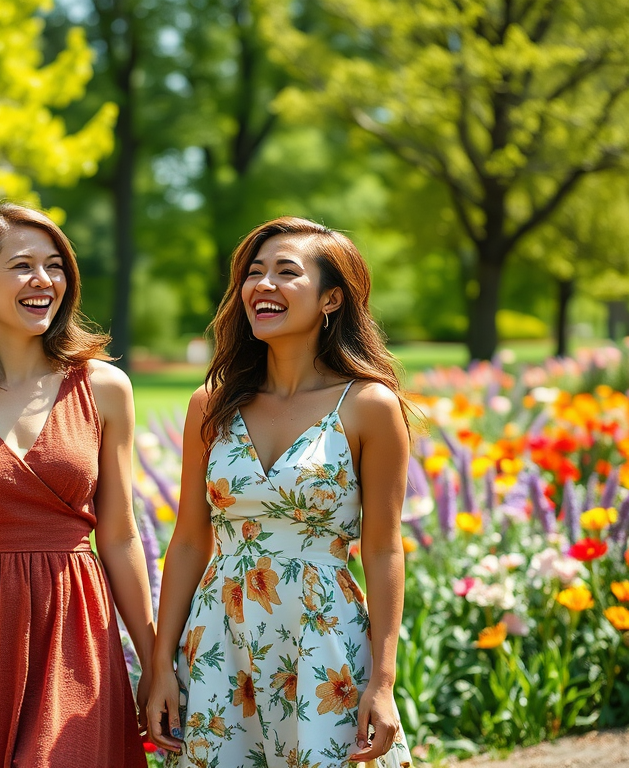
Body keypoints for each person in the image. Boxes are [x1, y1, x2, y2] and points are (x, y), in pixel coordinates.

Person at [147, 217, 414, 768]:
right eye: (253, 272)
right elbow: (192, 541)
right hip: (220, 639)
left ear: (331, 299)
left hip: (323, 637)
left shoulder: (368, 406)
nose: (261, 285)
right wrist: (160, 665)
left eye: (285, 272)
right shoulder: (212, 405)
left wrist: (383, 682)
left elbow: (384, 547)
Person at [0, 203, 155, 768]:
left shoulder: (105, 388)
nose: (45, 281)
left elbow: (120, 536)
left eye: (55, 265)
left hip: (74, 627)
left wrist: (155, 657)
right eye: (22, 266)